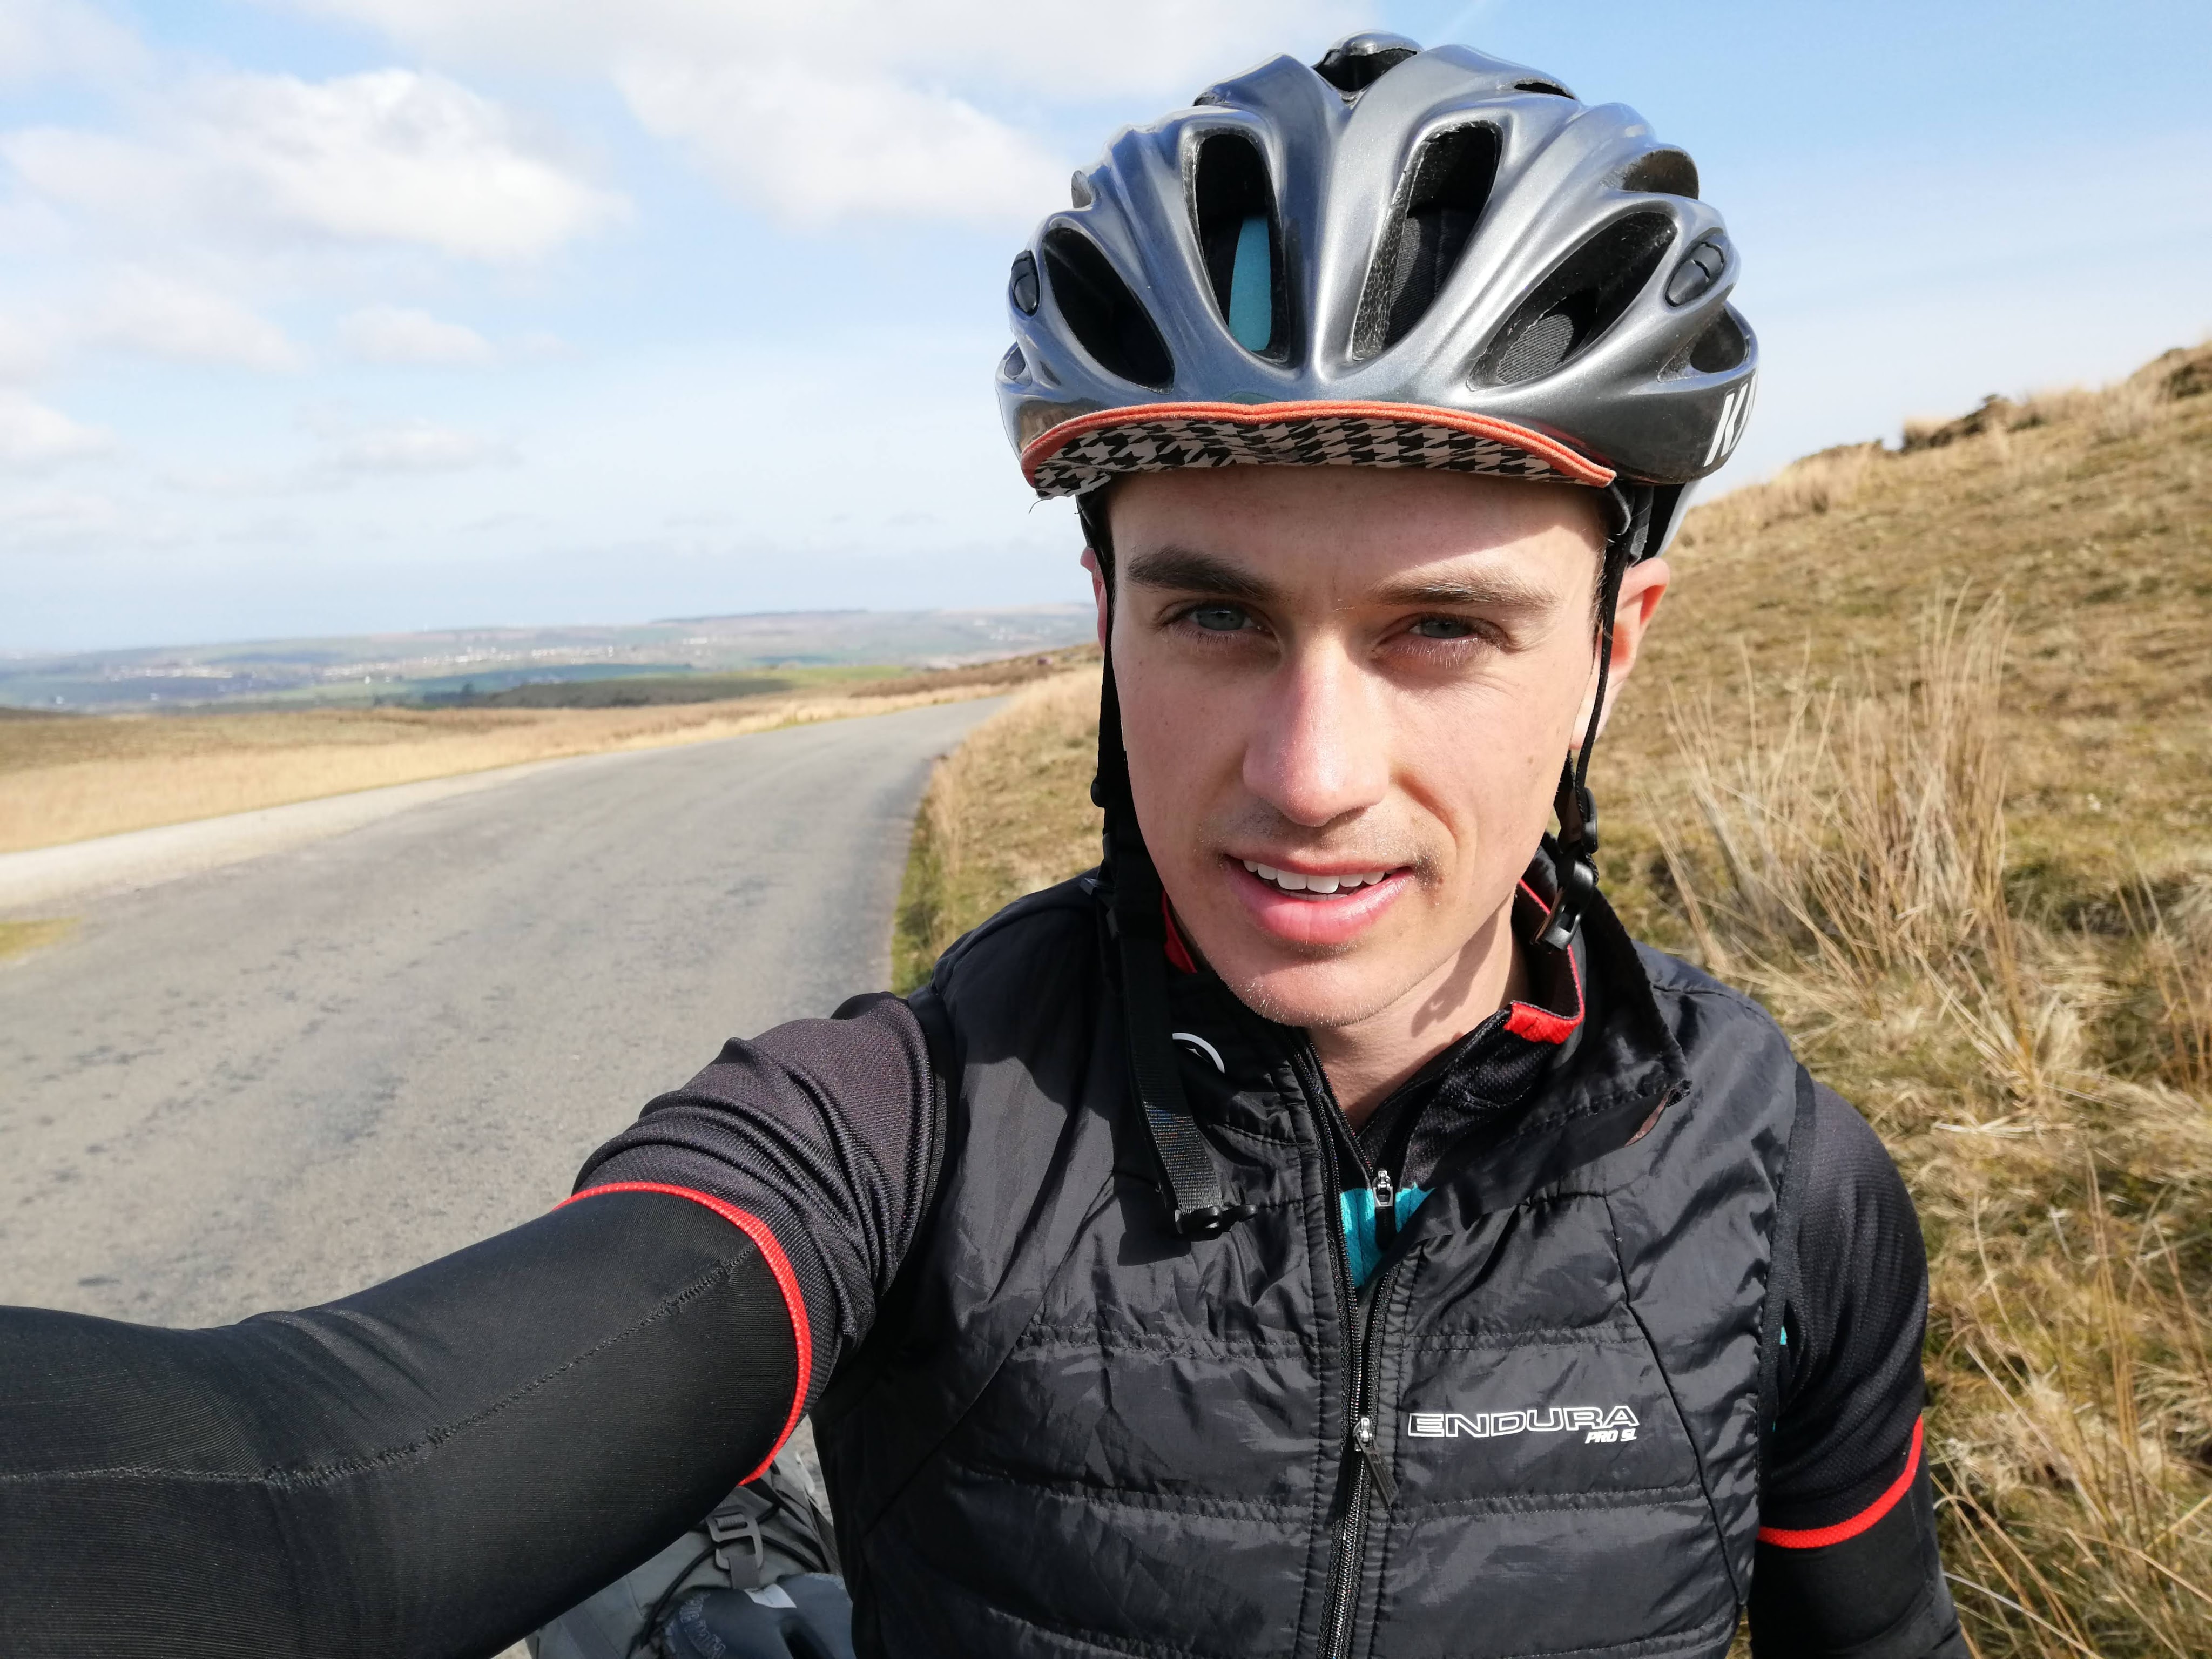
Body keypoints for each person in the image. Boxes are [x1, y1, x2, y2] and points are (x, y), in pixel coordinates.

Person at [0, 33, 1965, 1659]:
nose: (1310, 774)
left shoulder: (1785, 1191)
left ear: (1614, 644)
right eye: (1215, 616)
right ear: (1106, 618)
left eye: (1441, 630)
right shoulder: (908, 1128)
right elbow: (316, 1501)